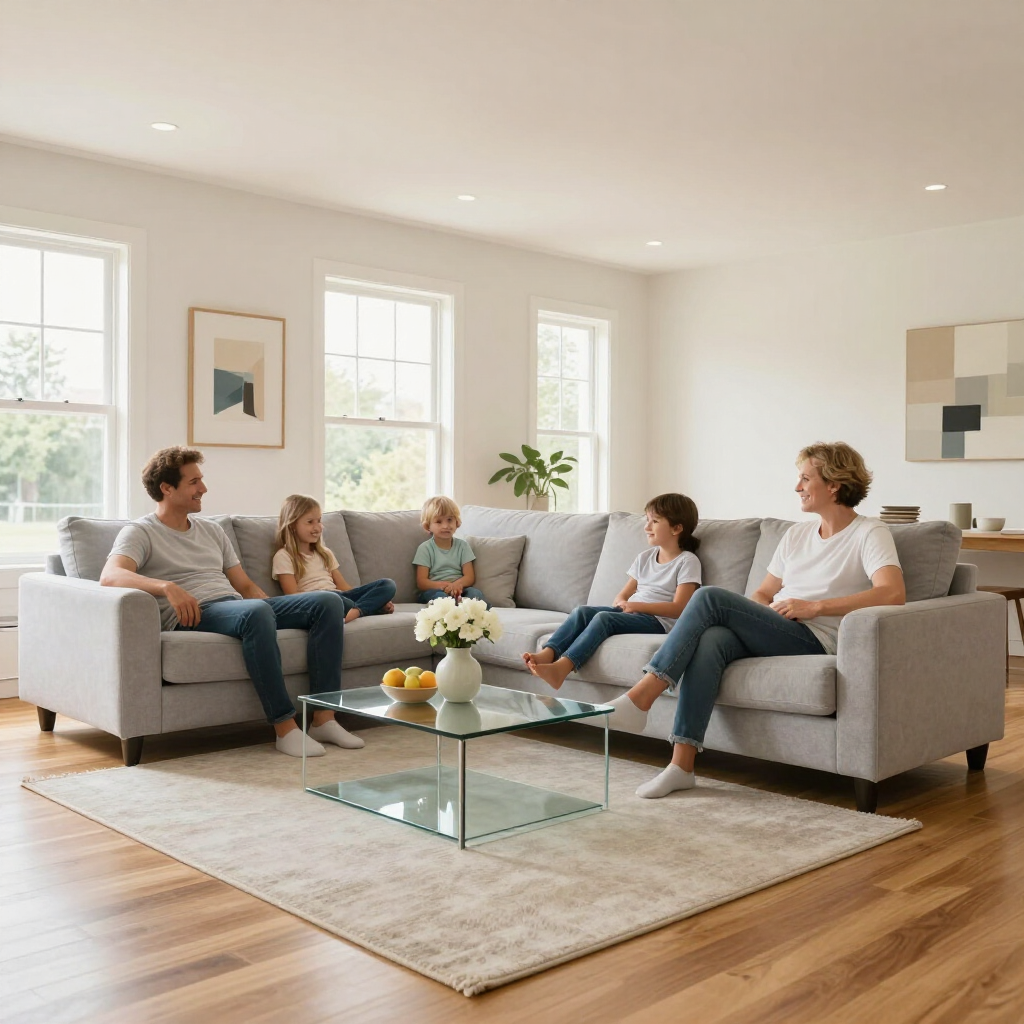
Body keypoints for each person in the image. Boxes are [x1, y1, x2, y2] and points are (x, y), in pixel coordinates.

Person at [606, 442, 906, 799]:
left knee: (707, 596)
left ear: (834, 485)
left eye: (805, 478)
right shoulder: (796, 535)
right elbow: (764, 593)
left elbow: (892, 593)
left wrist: (815, 607)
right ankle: (680, 766)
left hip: (815, 637)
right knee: (713, 638)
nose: (797, 487)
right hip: (779, 626)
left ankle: (643, 695)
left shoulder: (869, 533)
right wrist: (752, 615)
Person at [100, 447, 362, 757]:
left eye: (202, 479)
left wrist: (273, 611)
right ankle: (284, 726)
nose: (204, 489)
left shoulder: (211, 530)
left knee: (327, 603)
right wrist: (166, 587)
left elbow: (245, 585)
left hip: (236, 606)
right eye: (194, 482)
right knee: (256, 613)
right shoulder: (140, 532)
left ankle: (323, 717)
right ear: (167, 489)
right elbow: (110, 576)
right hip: (196, 614)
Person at [523, 493, 702, 690]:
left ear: (677, 528)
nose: (646, 527)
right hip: (634, 611)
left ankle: (562, 668)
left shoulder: (687, 561)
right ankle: (548, 653)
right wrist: (623, 602)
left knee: (604, 619)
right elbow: (624, 593)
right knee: (582, 612)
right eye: (647, 520)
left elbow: (680, 608)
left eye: (655, 521)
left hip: (658, 621)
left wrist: (636, 606)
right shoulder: (645, 557)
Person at [273, 494, 396, 623]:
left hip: (340, 597)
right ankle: (363, 610)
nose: (318, 527)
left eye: (319, 521)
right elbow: (292, 597)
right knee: (338, 601)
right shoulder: (284, 556)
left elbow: (344, 587)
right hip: (318, 601)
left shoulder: (325, 553)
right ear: (292, 525)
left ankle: (356, 611)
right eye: (310, 522)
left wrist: (372, 597)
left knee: (388, 585)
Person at [413, 496, 487, 604]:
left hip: (459, 589)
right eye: (439, 521)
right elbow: (422, 582)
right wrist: (443, 586)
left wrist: (456, 585)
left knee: (476, 594)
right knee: (441, 598)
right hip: (435, 590)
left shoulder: (463, 546)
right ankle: (453, 610)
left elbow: (469, 577)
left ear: (457, 523)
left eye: (449, 520)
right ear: (427, 526)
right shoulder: (425, 548)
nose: (446, 526)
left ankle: (469, 612)